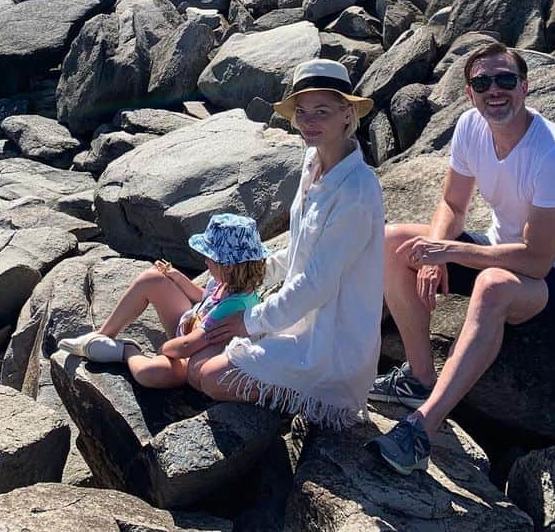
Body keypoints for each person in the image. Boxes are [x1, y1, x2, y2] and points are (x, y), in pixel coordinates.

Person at [367, 40, 555, 475]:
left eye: (506, 79)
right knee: (394, 241)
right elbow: (453, 205)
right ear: (470, 93)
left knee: (492, 286)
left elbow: (536, 262)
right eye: (482, 82)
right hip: (496, 249)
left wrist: (451, 250)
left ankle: (423, 427)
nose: (495, 90)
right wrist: (434, 251)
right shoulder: (471, 127)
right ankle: (419, 377)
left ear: (525, 87)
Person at [183, 59, 385, 429]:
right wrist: (249, 275)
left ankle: (307, 402)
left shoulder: (356, 190)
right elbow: (299, 248)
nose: (308, 121)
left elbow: (319, 284)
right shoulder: (312, 161)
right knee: (197, 367)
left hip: (329, 342)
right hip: (297, 317)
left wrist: (250, 319)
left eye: (321, 111)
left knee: (208, 375)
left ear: (347, 113)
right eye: (302, 112)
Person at [57, 213, 268, 389]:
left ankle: (127, 350)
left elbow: (187, 346)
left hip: (194, 356)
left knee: (151, 372)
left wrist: (165, 349)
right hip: (189, 328)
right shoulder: (225, 282)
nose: (205, 260)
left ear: (228, 265)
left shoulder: (236, 307)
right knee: (152, 279)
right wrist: (176, 277)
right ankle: (101, 336)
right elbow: (204, 298)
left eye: (210, 258)